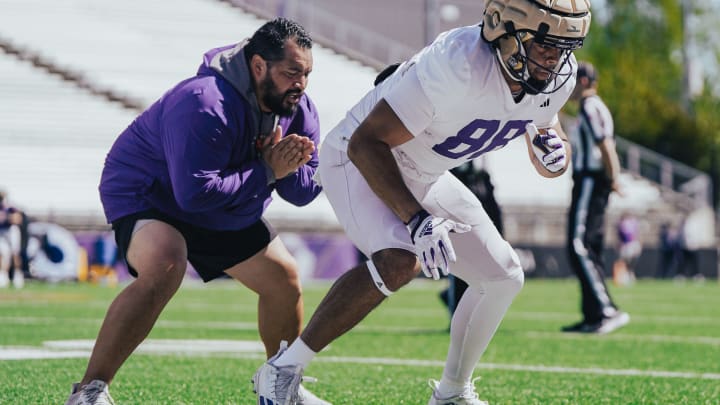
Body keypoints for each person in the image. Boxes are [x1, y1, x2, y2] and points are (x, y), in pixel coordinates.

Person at [253, 1, 592, 404]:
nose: (555, 60)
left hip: (423, 171)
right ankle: (282, 372)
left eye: (564, 48)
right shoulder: (458, 64)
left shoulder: (557, 76)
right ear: (504, 30)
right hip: (356, 159)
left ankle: (452, 393)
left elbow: (546, 131)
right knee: (400, 258)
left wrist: (554, 152)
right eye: (544, 45)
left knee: (503, 276)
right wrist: (417, 221)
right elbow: (366, 142)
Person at [65, 18, 331, 405]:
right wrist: (268, 169)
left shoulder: (299, 108)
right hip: (150, 192)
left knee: (283, 279)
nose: (301, 84)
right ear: (259, 66)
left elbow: (302, 192)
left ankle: (281, 387)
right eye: (292, 72)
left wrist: (292, 168)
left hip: (220, 197)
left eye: (306, 73)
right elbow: (195, 194)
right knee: (165, 262)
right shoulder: (204, 101)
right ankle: (90, 391)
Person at [563, 61, 630, 335]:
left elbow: (605, 144)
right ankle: (592, 313)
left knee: (578, 244)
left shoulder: (591, 107)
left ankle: (605, 309)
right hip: (591, 180)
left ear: (583, 81)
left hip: (591, 179)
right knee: (589, 245)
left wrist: (613, 177)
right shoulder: (589, 108)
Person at [439, 162, 504, 320]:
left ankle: (467, 312)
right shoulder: (452, 176)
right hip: (459, 232)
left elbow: (494, 211)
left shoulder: (481, 177)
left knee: (483, 278)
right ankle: (458, 316)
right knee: (462, 274)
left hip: (479, 232)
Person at [0, 190, 26, 289]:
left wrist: (10, 218)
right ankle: (3, 276)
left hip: (11, 230)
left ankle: (18, 275)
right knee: (3, 254)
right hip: (2, 232)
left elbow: (18, 219)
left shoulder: (9, 207)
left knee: (15, 254)